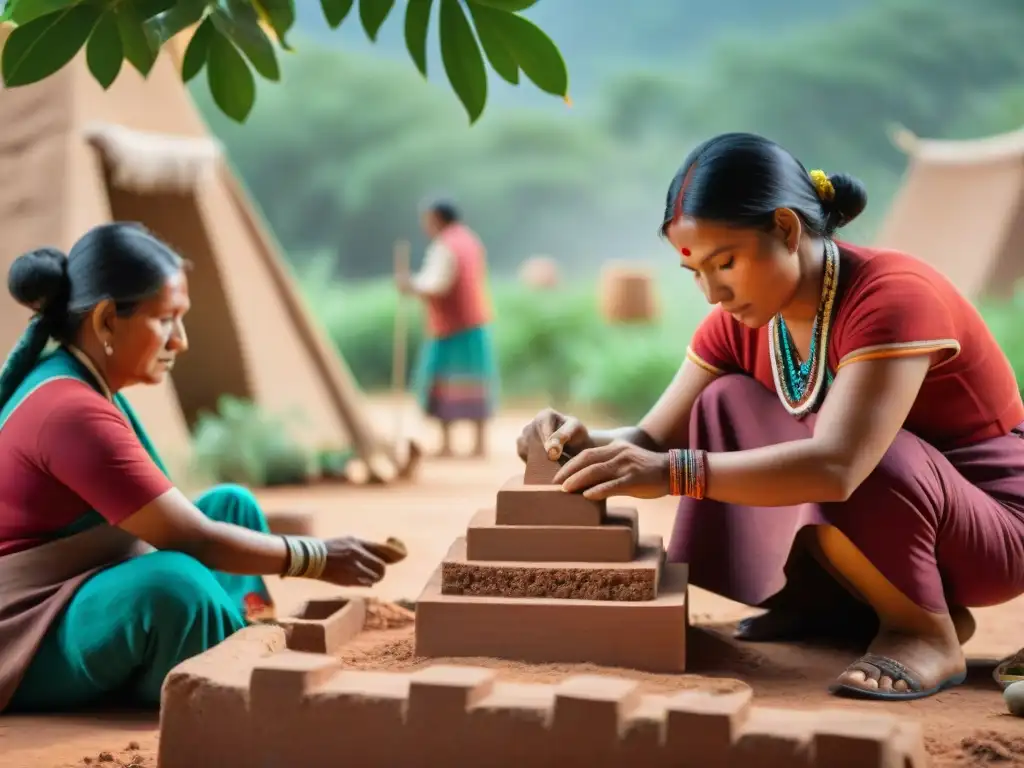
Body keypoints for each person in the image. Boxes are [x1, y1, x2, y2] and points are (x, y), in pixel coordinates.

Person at [517, 132, 1024, 702]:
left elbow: (837, 466)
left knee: (856, 454)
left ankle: (923, 630)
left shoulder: (893, 297)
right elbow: (650, 437)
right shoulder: (744, 319)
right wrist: (579, 440)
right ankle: (825, 604)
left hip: (992, 527)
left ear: (786, 229)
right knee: (722, 402)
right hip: (900, 505)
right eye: (696, 273)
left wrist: (671, 473)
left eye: (725, 263)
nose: (713, 292)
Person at [0, 223, 404, 714]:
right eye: (166, 319)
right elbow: (193, 540)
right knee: (174, 585)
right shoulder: (70, 409)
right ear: (107, 320)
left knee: (231, 505)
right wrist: (315, 556)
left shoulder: (80, 383)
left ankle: (228, 639)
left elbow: (189, 528)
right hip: (31, 628)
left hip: (80, 582)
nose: (182, 341)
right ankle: (223, 670)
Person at [398, 200, 499, 458]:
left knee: (444, 384)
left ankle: (447, 443)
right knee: (474, 383)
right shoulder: (470, 241)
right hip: (473, 324)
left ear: (437, 219)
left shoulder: (445, 246)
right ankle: (478, 443)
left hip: (451, 328)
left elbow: (437, 284)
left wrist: (411, 285)